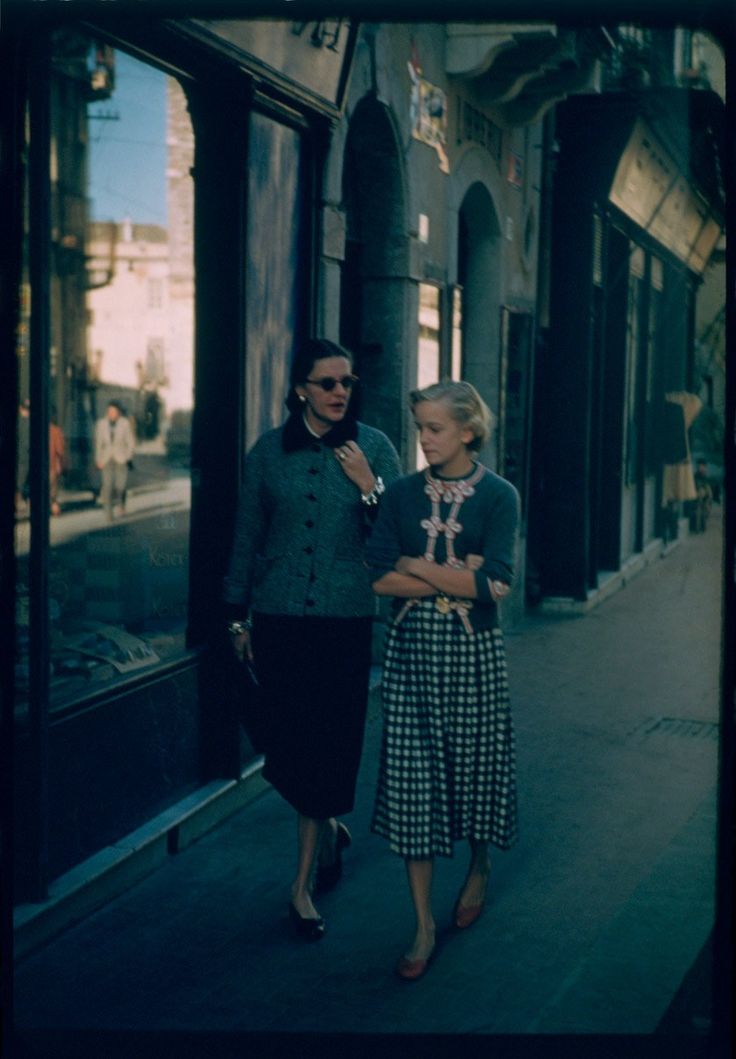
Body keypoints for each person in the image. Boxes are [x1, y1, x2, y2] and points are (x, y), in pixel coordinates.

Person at [223, 337, 401, 940]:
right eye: (326, 383)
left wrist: (368, 483)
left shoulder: (374, 446)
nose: (339, 393)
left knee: (324, 744)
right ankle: (327, 824)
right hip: (278, 620)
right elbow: (247, 535)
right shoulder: (269, 450)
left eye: (347, 382)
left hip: (345, 623)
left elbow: (396, 540)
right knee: (284, 744)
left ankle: (300, 886)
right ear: (300, 387)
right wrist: (237, 617)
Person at [366, 380, 520, 980]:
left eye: (434, 428)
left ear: (467, 432)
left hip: (473, 654)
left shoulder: (498, 496)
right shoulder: (402, 495)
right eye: (420, 428)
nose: (424, 439)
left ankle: (478, 864)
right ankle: (423, 925)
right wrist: (456, 572)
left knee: (475, 769)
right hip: (411, 657)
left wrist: (418, 564)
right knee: (413, 784)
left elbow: (497, 585)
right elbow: (378, 578)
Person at [94, 399, 135, 521]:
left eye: (114, 412)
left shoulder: (125, 423)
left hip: (121, 459)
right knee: (107, 486)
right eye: (109, 411)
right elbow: (98, 443)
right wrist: (98, 460)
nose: (111, 414)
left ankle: (121, 504)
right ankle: (108, 513)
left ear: (119, 413)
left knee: (120, 486)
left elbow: (131, 442)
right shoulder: (101, 424)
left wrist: (128, 456)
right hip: (106, 459)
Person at [49, 406, 66, 517]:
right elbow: (60, 450)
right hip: (52, 464)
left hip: (39, 466)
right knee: (52, 489)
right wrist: (60, 464)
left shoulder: (35, 428)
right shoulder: (56, 430)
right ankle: (54, 507)